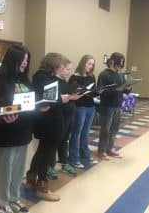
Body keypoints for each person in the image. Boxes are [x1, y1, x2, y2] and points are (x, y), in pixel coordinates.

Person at [25, 53, 79, 202]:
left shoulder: (50, 77)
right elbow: (44, 96)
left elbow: (56, 94)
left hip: (53, 119)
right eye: (61, 66)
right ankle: (42, 186)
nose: (63, 68)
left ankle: (31, 177)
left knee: (43, 151)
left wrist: (67, 97)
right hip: (46, 120)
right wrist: (61, 98)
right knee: (46, 153)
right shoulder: (41, 76)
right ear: (53, 65)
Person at [0, 45, 32, 213]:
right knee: (5, 170)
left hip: (23, 132)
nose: (25, 63)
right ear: (13, 59)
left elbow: (29, 101)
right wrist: (2, 116)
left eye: (27, 60)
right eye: (23, 59)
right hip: (5, 134)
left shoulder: (24, 80)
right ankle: (2, 203)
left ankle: (14, 198)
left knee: (18, 169)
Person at [46, 56, 81, 180]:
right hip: (59, 116)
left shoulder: (65, 82)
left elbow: (68, 96)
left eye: (70, 69)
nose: (69, 72)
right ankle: (49, 166)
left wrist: (74, 96)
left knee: (64, 140)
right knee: (55, 141)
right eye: (67, 69)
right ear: (60, 68)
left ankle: (64, 163)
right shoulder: (53, 82)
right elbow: (54, 100)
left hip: (69, 115)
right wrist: (67, 98)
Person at [68, 55, 101, 168]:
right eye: (89, 64)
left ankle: (85, 155)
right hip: (79, 107)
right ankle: (73, 158)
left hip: (91, 106)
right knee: (76, 133)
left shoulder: (92, 77)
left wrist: (99, 92)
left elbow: (93, 93)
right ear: (83, 63)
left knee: (85, 133)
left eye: (92, 64)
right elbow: (72, 93)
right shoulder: (74, 77)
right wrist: (82, 91)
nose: (91, 66)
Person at [97, 52, 132, 160]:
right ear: (113, 61)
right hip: (107, 106)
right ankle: (102, 150)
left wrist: (128, 88)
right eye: (120, 61)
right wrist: (117, 90)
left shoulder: (120, 75)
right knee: (105, 129)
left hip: (117, 105)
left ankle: (110, 148)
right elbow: (100, 91)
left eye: (122, 61)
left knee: (114, 129)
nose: (121, 64)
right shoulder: (104, 74)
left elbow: (124, 91)